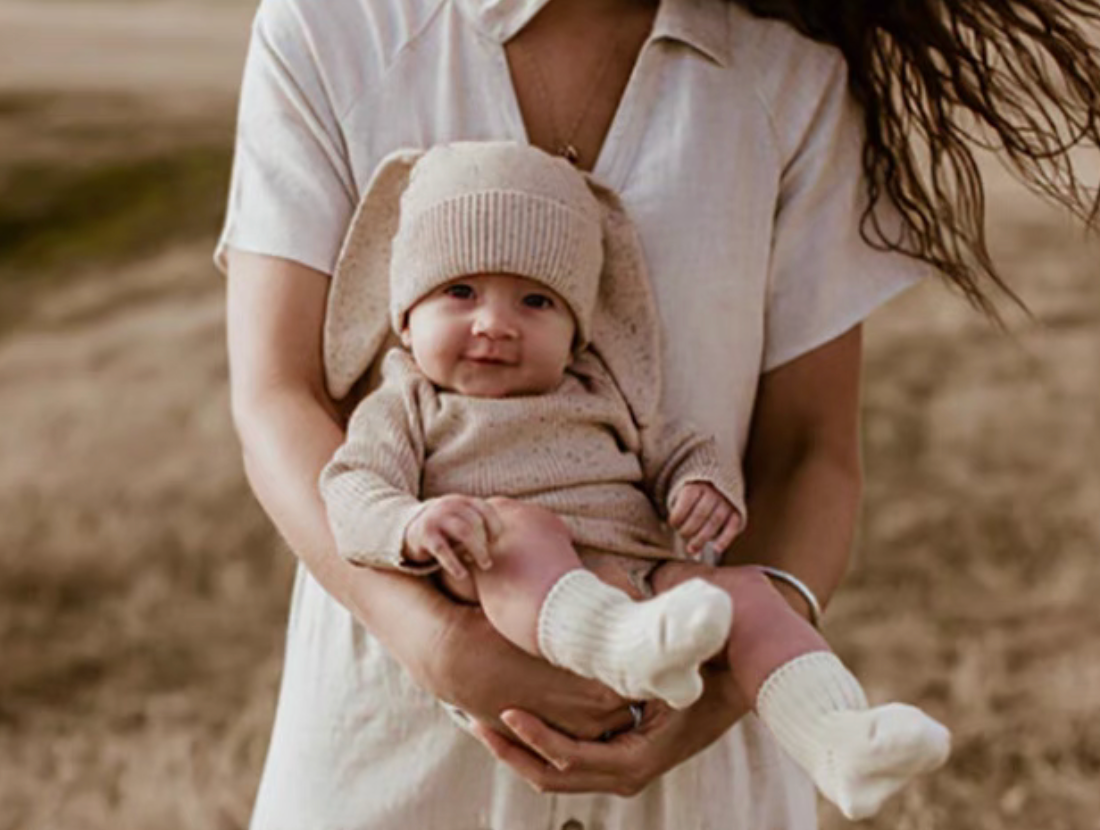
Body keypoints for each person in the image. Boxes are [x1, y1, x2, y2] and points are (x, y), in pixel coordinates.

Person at [218, 0, 1100, 827]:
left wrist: (711, 701)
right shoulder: (337, 26)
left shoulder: (791, 79)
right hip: (392, 751)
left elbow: (807, 452)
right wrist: (442, 646)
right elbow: (277, 398)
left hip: (697, 745)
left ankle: (840, 733)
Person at [318, 139, 950, 820]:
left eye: (535, 301)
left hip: (643, 582)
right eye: (460, 291)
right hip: (502, 582)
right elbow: (352, 488)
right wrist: (411, 525)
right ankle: (619, 645)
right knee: (520, 528)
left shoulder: (601, 388)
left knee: (752, 596)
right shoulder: (406, 403)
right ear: (406, 322)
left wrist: (698, 483)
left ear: (576, 330)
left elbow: (675, 445)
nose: (496, 325)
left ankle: (835, 738)